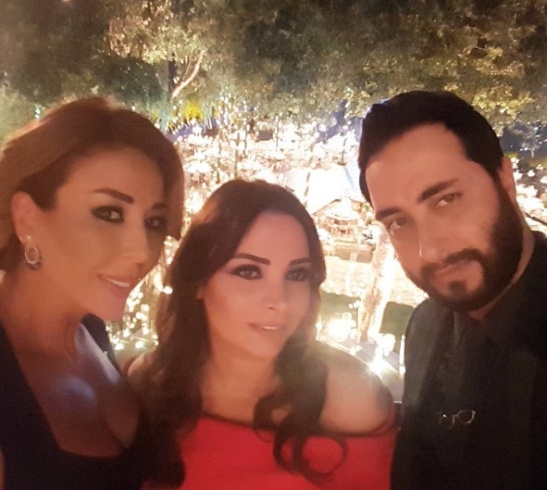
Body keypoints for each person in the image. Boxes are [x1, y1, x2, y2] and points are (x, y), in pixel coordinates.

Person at [129, 179, 396, 489]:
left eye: (296, 274)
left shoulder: (350, 399)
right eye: (249, 272)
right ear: (199, 281)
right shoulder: (150, 384)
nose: (279, 301)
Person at [358, 90, 547, 489]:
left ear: (504, 179)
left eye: (446, 200)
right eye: (399, 222)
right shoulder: (424, 325)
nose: (429, 250)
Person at [0, 97, 185, 490]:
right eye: (109, 213)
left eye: (153, 221)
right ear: (27, 218)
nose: (141, 251)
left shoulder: (88, 328)